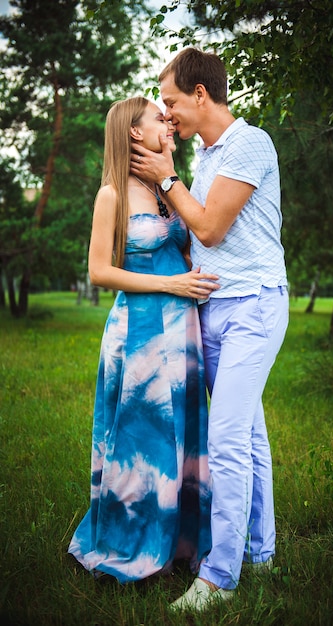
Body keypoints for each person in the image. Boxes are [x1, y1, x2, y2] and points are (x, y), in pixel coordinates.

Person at [130, 48, 289, 611]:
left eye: (171, 101)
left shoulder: (250, 142)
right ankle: (261, 555)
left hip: (254, 306)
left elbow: (214, 227)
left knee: (225, 440)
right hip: (213, 310)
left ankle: (219, 579)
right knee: (247, 437)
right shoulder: (204, 155)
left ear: (201, 95)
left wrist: (166, 177)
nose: (167, 114)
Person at [68, 95, 220, 584]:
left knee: (184, 441)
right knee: (144, 443)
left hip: (183, 337)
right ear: (134, 132)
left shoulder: (166, 187)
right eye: (160, 118)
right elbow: (98, 272)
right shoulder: (112, 193)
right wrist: (171, 284)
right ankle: (132, 545)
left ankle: (180, 546)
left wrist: (171, 168)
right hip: (140, 336)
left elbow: (198, 234)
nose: (169, 122)